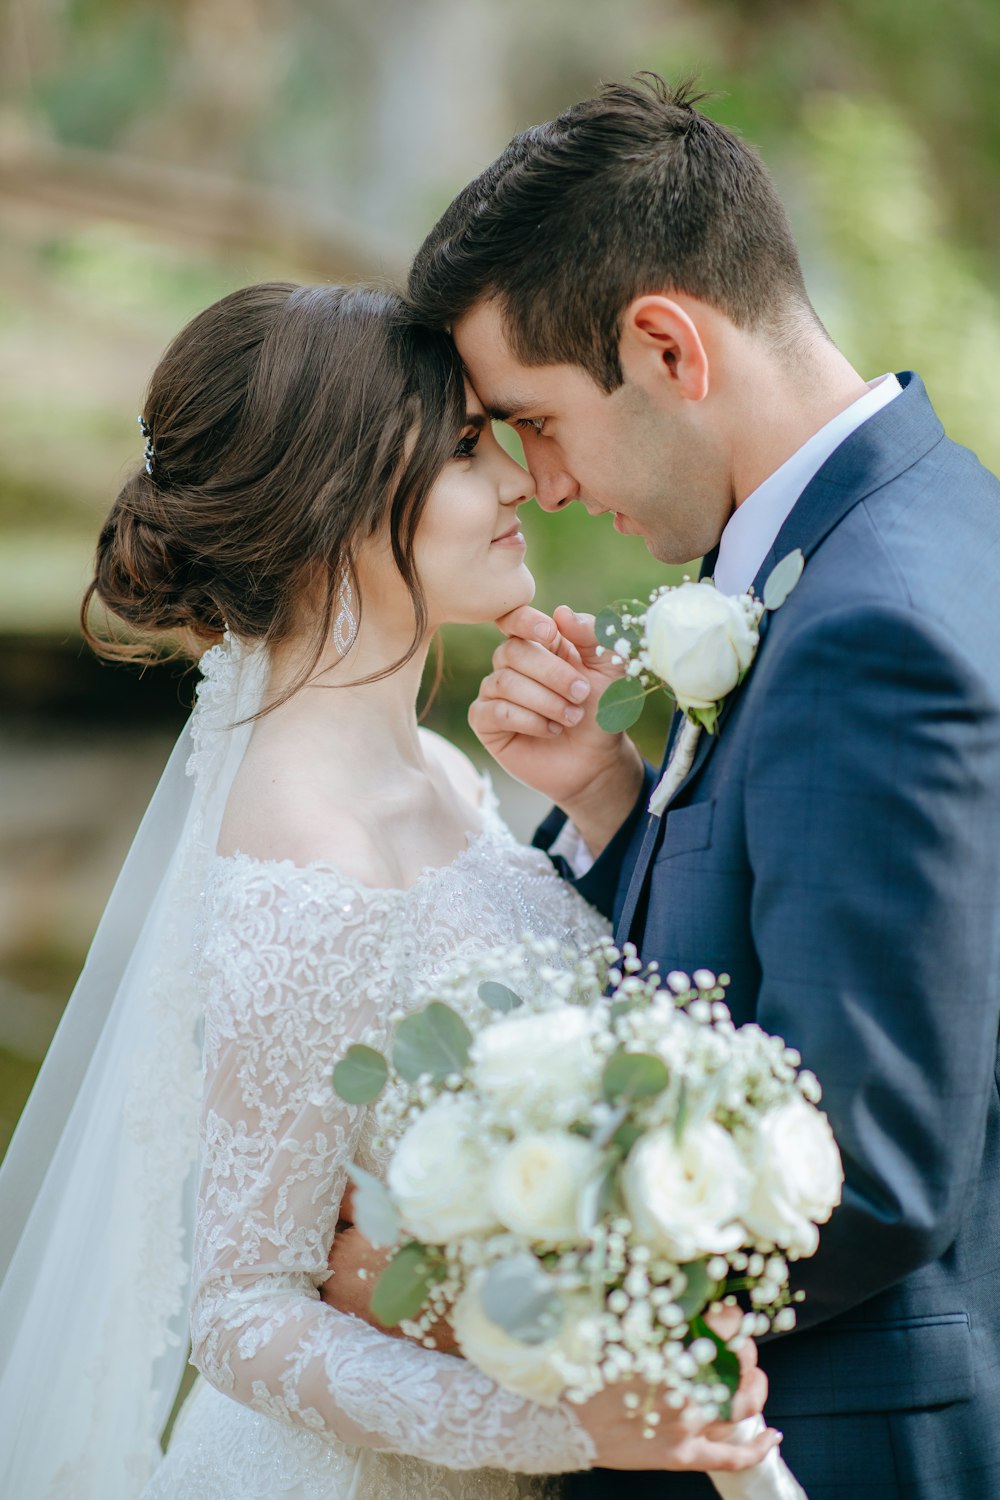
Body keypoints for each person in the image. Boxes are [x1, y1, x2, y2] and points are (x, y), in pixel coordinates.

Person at [0, 281, 775, 1500]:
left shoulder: (445, 776)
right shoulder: (300, 855)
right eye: (468, 450)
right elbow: (244, 1310)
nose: (519, 481)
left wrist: (602, 797)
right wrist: (562, 1427)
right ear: (337, 499)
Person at [396, 73, 1000, 1500]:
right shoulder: (918, 527)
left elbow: (865, 1162)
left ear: (666, 346)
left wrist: (496, 1311)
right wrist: (616, 802)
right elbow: (806, 960)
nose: (537, 486)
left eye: (534, 420)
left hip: (832, 1447)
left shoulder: (874, 624)